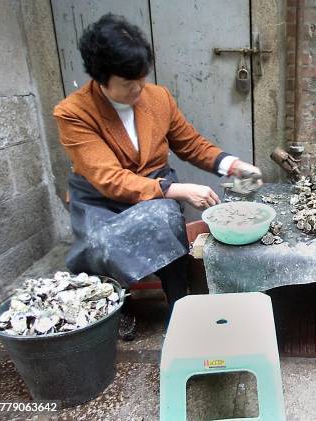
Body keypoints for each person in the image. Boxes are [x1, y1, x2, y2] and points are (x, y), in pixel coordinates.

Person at [53, 14, 261, 326]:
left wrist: (231, 164)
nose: (138, 89)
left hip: (153, 187)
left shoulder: (158, 97)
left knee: (162, 218)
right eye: (127, 84)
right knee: (101, 245)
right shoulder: (73, 113)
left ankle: (179, 301)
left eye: (142, 79)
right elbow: (108, 179)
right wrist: (175, 190)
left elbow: (190, 144)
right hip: (99, 198)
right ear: (100, 78)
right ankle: (114, 306)